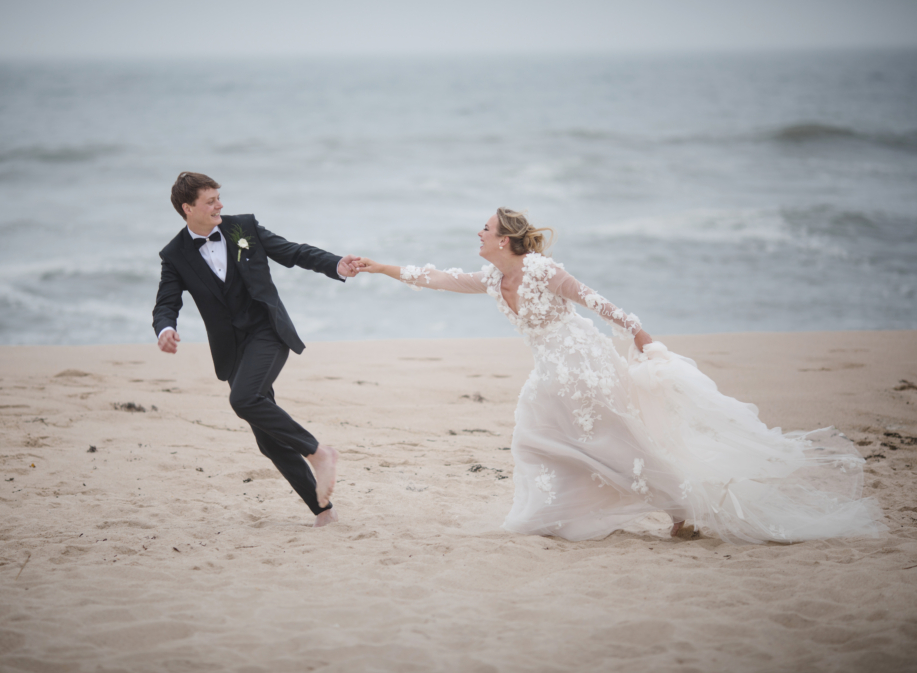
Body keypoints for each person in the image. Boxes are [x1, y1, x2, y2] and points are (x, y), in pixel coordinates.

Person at [355, 207, 885, 544]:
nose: (479, 233)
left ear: (507, 238)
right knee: (535, 439)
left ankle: (683, 509)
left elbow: (597, 302)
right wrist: (380, 267)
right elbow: (438, 278)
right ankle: (553, 515)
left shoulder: (541, 270)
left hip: (585, 365)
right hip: (549, 373)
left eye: (486, 229)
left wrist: (645, 339)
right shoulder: (493, 279)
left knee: (620, 441)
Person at [153, 172, 358, 527]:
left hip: (268, 330)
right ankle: (324, 513)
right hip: (232, 350)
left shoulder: (241, 228)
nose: (220, 205)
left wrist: (335, 264)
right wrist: (166, 328)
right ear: (188, 209)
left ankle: (318, 452)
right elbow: (166, 302)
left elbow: (291, 252)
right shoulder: (175, 254)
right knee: (269, 441)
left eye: (219, 197)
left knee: (243, 400)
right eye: (211, 201)